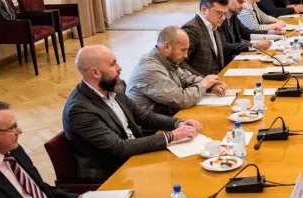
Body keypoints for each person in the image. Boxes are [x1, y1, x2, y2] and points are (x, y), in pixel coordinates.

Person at [63, 45, 202, 181]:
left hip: (135, 156)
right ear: (95, 73)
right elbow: (119, 148)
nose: (119, 68)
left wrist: (178, 123)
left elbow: (144, 116)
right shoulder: (80, 110)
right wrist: (171, 136)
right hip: (113, 175)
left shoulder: (114, 88)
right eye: (113, 64)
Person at [127, 27, 227, 116]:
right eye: (183, 50)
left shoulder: (166, 60)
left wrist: (211, 85)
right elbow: (182, 100)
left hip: (167, 118)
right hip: (151, 130)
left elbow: (187, 78)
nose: (186, 55)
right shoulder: (150, 69)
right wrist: (204, 84)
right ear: (166, 47)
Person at [219, 0, 272, 64]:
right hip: (226, 64)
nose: (243, 6)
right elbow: (224, 47)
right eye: (240, 2)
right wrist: (254, 45)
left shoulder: (233, 16)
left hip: (235, 60)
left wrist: (273, 32)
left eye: (244, 2)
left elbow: (247, 33)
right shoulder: (219, 19)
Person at [182, 0, 230, 77]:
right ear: (204, 10)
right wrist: (205, 81)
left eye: (225, 14)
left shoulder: (214, 27)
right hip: (200, 86)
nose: (223, 18)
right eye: (219, 13)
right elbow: (181, 64)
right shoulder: (191, 29)